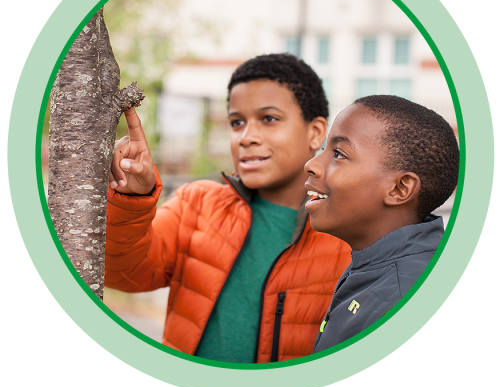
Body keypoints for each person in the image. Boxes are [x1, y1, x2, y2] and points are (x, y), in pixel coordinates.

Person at [104, 53, 352, 363]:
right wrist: (132, 202)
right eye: (237, 122)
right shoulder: (196, 204)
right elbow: (121, 274)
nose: (246, 137)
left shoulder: (347, 232)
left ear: (316, 132)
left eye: (269, 119)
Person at [304, 94, 460, 352]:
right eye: (323, 150)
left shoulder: (403, 302)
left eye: (339, 154)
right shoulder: (378, 266)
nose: (312, 165)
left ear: (399, 188)